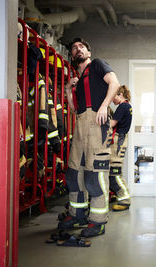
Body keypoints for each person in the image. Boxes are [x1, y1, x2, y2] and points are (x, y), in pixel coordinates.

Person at [58, 37, 120, 238]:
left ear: (88, 52)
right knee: (73, 174)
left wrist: (104, 106)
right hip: (80, 125)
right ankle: (78, 214)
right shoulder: (79, 78)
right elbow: (75, 108)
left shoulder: (97, 65)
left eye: (81, 47)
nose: (78, 49)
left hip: (96, 124)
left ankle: (98, 221)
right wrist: (68, 89)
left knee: (94, 177)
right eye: (74, 48)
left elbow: (115, 82)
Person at [109, 85, 133, 211]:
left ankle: (124, 199)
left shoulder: (123, 106)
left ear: (120, 95)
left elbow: (112, 124)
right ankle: (118, 195)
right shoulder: (127, 106)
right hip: (121, 139)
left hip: (119, 140)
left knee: (114, 173)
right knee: (114, 172)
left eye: (113, 97)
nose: (112, 100)